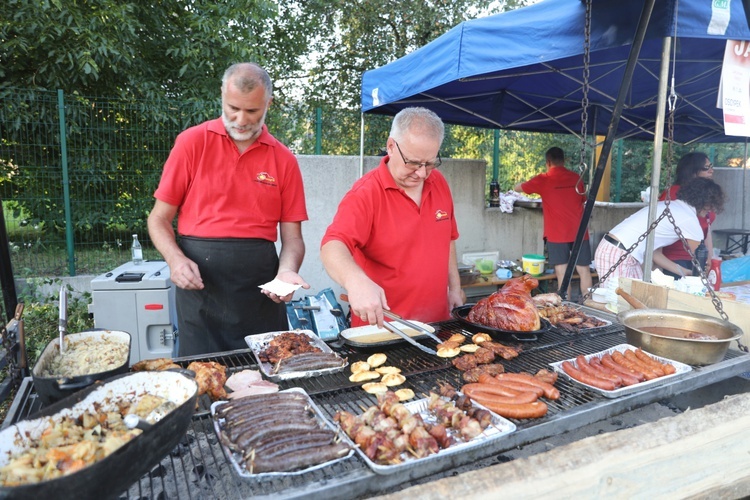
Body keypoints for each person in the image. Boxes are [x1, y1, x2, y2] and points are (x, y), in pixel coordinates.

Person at [147, 62, 309, 356]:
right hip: (200, 288)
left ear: (268, 104)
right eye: (233, 107)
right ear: (222, 95)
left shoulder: (284, 160)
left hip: (261, 290)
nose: (241, 119)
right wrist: (175, 260)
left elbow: (293, 238)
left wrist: (286, 272)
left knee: (268, 375)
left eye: (252, 111)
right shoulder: (191, 143)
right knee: (203, 377)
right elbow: (158, 219)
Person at [320, 107, 464, 328]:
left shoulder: (439, 183)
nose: (422, 173)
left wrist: (454, 288)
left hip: (437, 326)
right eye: (414, 163)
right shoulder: (366, 194)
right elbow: (332, 246)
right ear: (391, 146)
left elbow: (448, 239)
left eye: (430, 163)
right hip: (384, 330)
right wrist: (355, 281)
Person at [595, 177, 724, 282]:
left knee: (633, 300)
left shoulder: (673, 207)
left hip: (614, 249)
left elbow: (656, 255)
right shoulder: (689, 219)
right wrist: (705, 274)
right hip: (619, 253)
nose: (712, 209)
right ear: (706, 201)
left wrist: (685, 272)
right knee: (619, 304)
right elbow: (702, 260)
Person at [514, 147, 593, 299]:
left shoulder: (543, 179)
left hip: (556, 234)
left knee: (562, 273)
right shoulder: (576, 177)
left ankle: (567, 306)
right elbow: (582, 200)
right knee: (584, 271)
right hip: (580, 231)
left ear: (548, 162)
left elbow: (518, 188)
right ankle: (589, 306)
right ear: (564, 160)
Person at [657, 152, 716, 277]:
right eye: (706, 168)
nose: (711, 171)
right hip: (675, 259)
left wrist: (711, 258)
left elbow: (707, 227)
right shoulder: (673, 194)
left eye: (711, 166)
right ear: (692, 171)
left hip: (699, 255)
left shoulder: (705, 193)